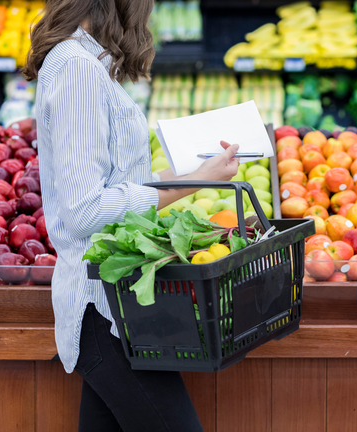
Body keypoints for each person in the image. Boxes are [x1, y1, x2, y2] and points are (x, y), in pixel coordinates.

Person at [22, 1, 239, 430]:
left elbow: (121, 181)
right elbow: (86, 210)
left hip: (119, 306)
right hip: (103, 310)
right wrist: (191, 185)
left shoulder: (85, 62)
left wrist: (196, 173)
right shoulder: (77, 69)